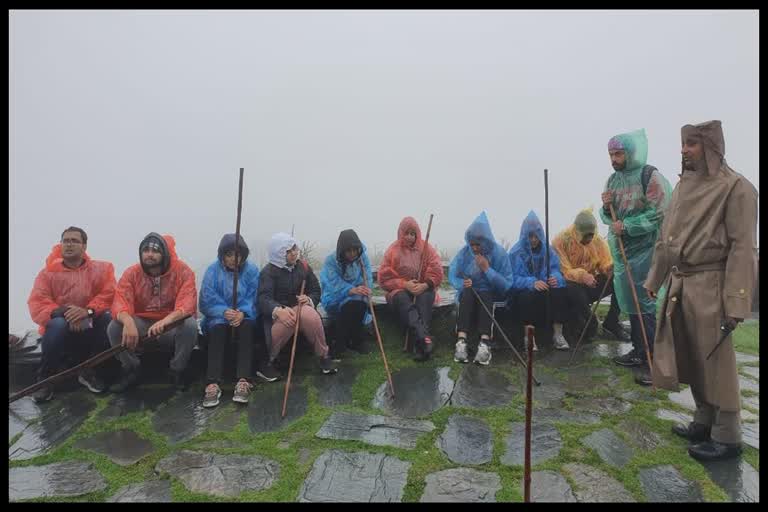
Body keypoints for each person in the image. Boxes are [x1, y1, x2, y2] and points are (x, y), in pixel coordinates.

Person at [645, 120, 758, 462]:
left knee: (716, 360)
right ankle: (703, 421)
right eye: (683, 143)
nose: (683, 150)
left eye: (691, 144)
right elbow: (668, 239)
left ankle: (727, 435)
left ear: (710, 146)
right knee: (693, 356)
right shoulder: (681, 188)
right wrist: (655, 279)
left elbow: (742, 248)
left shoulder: (737, 188)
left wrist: (737, 300)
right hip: (681, 283)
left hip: (712, 283)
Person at [600, 128, 672, 383]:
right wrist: (606, 206)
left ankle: (655, 357)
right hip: (623, 251)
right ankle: (640, 350)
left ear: (629, 153)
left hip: (648, 249)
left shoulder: (649, 176)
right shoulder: (613, 180)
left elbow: (660, 212)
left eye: (618, 153)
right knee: (630, 299)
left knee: (647, 301)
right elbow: (609, 217)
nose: (613, 159)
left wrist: (628, 226)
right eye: (610, 154)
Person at [27, 226, 116, 402]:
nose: (69, 244)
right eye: (65, 241)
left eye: (74, 241)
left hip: (89, 327)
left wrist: (87, 312)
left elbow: (109, 294)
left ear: (84, 246)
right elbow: (37, 303)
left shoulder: (103, 269)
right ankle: (45, 379)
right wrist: (65, 312)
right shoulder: (47, 274)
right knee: (58, 324)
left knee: (108, 319)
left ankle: (89, 370)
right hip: (61, 330)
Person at [107, 233, 199, 392]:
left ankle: (177, 370)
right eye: (146, 250)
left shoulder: (183, 271)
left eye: (155, 251)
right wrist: (128, 322)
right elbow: (120, 300)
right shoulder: (132, 273)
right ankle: (132, 369)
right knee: (114, 327)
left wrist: (166, 321)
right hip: (142, 325)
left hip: (170, 326)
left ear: (164, 254)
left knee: (189, 325)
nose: (149, 254)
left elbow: (187, 303)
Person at [199, 234, 277, 408]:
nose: (234, 259)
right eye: (229, 255)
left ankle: (243, 380)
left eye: (238, 254)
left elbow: (255, 297)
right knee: (218, 329)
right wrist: (223, 312)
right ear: (222, 255)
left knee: (247, 326)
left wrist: (243, 312)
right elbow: (206, 299)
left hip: (243, 316)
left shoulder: (251, 271)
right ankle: (212, 382)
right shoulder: (212, 271)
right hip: (219, 318)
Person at [258, 232, 337, 374]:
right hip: (278, 314)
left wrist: (309, 299)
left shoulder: (303, 267)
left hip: (300, 307)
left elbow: (315, 290)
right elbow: (263, 298)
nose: (294, 253)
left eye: (294, 248)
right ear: (278, 254)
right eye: (288, 251)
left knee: (311, 316)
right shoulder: (268, 272)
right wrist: (278, 310)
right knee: (289, 319)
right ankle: (269, 362)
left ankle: (324, 356)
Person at [553, 208, 629, 342]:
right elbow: (564, 270)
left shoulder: (598, 241)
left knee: (618, 279)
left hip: (590, 284)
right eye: (585, 235)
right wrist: (583, 276)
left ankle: (612, 321)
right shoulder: (560, 240)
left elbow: (605, 261)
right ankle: (591, 322)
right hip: (570, 289)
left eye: (591, 235)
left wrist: (609, 268)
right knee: (572, 287)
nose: (589, 239)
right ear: (577, 232)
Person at [448, 211, 513, 366]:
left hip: (491, 293)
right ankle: (461, 341)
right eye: (472, 244)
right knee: (467, 292)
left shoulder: (499, 253)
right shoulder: (465, 253)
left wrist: (487, 270)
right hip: (470, 291)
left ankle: (485, 343)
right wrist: (462, 284)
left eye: (478, 244)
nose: (475, 248)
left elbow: (506, 285)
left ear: (486, 241)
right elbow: (453, 274)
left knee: (484, 294)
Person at [378, 217, 444, 362]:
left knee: (425, 298)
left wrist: (425, 285)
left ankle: (419, 345)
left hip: (422, 287)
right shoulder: (393, 251)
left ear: (417, 234)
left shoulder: (426, 248)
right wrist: (404, 284)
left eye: (413, 233)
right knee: (403, 299)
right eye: (406, 233)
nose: (409, 237)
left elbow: (436, 270)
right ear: (401, 233)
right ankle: (424, 337)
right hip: (398, 290)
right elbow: (384, 278)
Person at [507, 211, 571, 351]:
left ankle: (558, 335)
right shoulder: (515, 253)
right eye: (530, 236)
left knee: (560, 290)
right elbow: (511, 278)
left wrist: (555, 278)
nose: (534, 240)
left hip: (544, 291)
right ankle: (529, 337)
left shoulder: (548, 251)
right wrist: (531, 283)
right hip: (523, 294)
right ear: (525, 236)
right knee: (526, 296)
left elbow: (555, 268)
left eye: (536, 236)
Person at [320, 229, 374, 358]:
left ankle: (356, 340)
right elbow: (331, 283)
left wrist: (366, 288)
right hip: (334, 297)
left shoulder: (362, 257)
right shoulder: (331, 261)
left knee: (360, 302)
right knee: (351, 305)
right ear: (342, 250)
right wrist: (349, 290)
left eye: (355, 250)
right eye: (348, 251)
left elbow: (367, 275)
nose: (352, 254)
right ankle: (339, 343)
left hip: (355, 295)